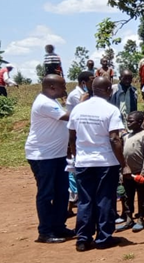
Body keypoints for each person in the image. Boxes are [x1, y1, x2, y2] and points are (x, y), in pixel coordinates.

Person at [68, 76, 128, 251]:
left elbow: (72, 137)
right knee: (104, 199)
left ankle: (83, 238)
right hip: (105, 162)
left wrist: (76, 156)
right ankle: (103, 237)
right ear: (109, 89)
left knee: (85, 200)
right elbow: (115, 138)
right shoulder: (111, 110)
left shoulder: (78, 110)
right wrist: (123, 164)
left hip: (83, 162)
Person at [25, 74, 72, 243]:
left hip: (56, 155)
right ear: (52, 87)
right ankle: (45, 231)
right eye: (62, 86)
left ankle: (58, 226)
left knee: (61, 191)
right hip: (43, 156)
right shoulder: (44, 103)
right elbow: (68, 117)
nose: (65, 88)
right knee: (46, 193)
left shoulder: (52, 100)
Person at [120, 110, 144, 233]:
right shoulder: (126, 136)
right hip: (127, 173)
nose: (128, 123)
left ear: (139, 122)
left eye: (131, 121)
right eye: (127, 121)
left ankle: (141, 218)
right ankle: (129, 218)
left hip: (139, 173)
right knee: (128, 196)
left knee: (141, 196)